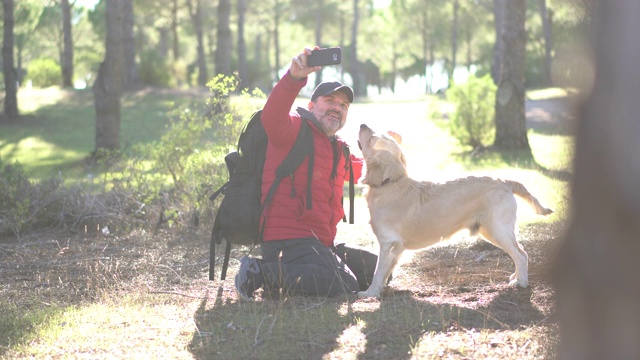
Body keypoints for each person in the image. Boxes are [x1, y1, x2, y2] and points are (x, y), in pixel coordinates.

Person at [234, 47, 363, 300]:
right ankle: (259, 272)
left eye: (343, 105)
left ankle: (283, 276)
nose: (337, 108)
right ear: (312, 105)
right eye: (330, 101)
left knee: (377, 270)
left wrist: (387, 147)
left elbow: (362, 173)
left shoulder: (338, 149)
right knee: (344, 284)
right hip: (287, 241)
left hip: (318, 243)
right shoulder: (293, 129)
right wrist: (294, 78)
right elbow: (271, 116)